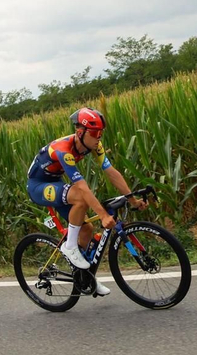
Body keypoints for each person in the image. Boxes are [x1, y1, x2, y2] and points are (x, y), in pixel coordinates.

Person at [25, 107, 143, 296]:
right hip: (38, 186)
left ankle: (86, 277)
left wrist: (133, 200)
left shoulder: (94, 146)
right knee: (80, 197)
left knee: (86, 229)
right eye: (95, 133)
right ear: (80, 132)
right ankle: (70, 246)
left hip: (56, 183)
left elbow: (111, 173)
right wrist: (103, 215)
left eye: (101, 133)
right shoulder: (63, 150)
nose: (99, 138)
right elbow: (81, 187)